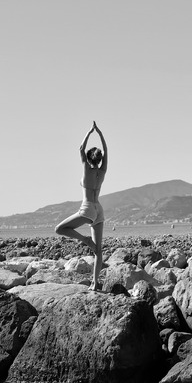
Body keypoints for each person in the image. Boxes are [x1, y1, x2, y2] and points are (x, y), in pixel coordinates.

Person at [55, 121, 108, 291]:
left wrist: (89, 133)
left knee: (59, 229)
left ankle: (85, 240)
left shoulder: (86, 168)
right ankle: (94, 283)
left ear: (88, 157)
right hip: (99, 209)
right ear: (99, 159)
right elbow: (107, 151)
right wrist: (100, 134)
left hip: (87, 208)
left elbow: (80, 148)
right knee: (98, 250)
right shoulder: (103, 170)